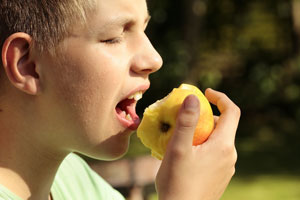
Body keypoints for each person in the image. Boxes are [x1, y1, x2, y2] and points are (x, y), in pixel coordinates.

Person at [0, 0, 241, 200]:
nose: (154, 59)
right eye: (114, 37)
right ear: (29, 65)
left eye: (144, 29)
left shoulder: (76, 181)